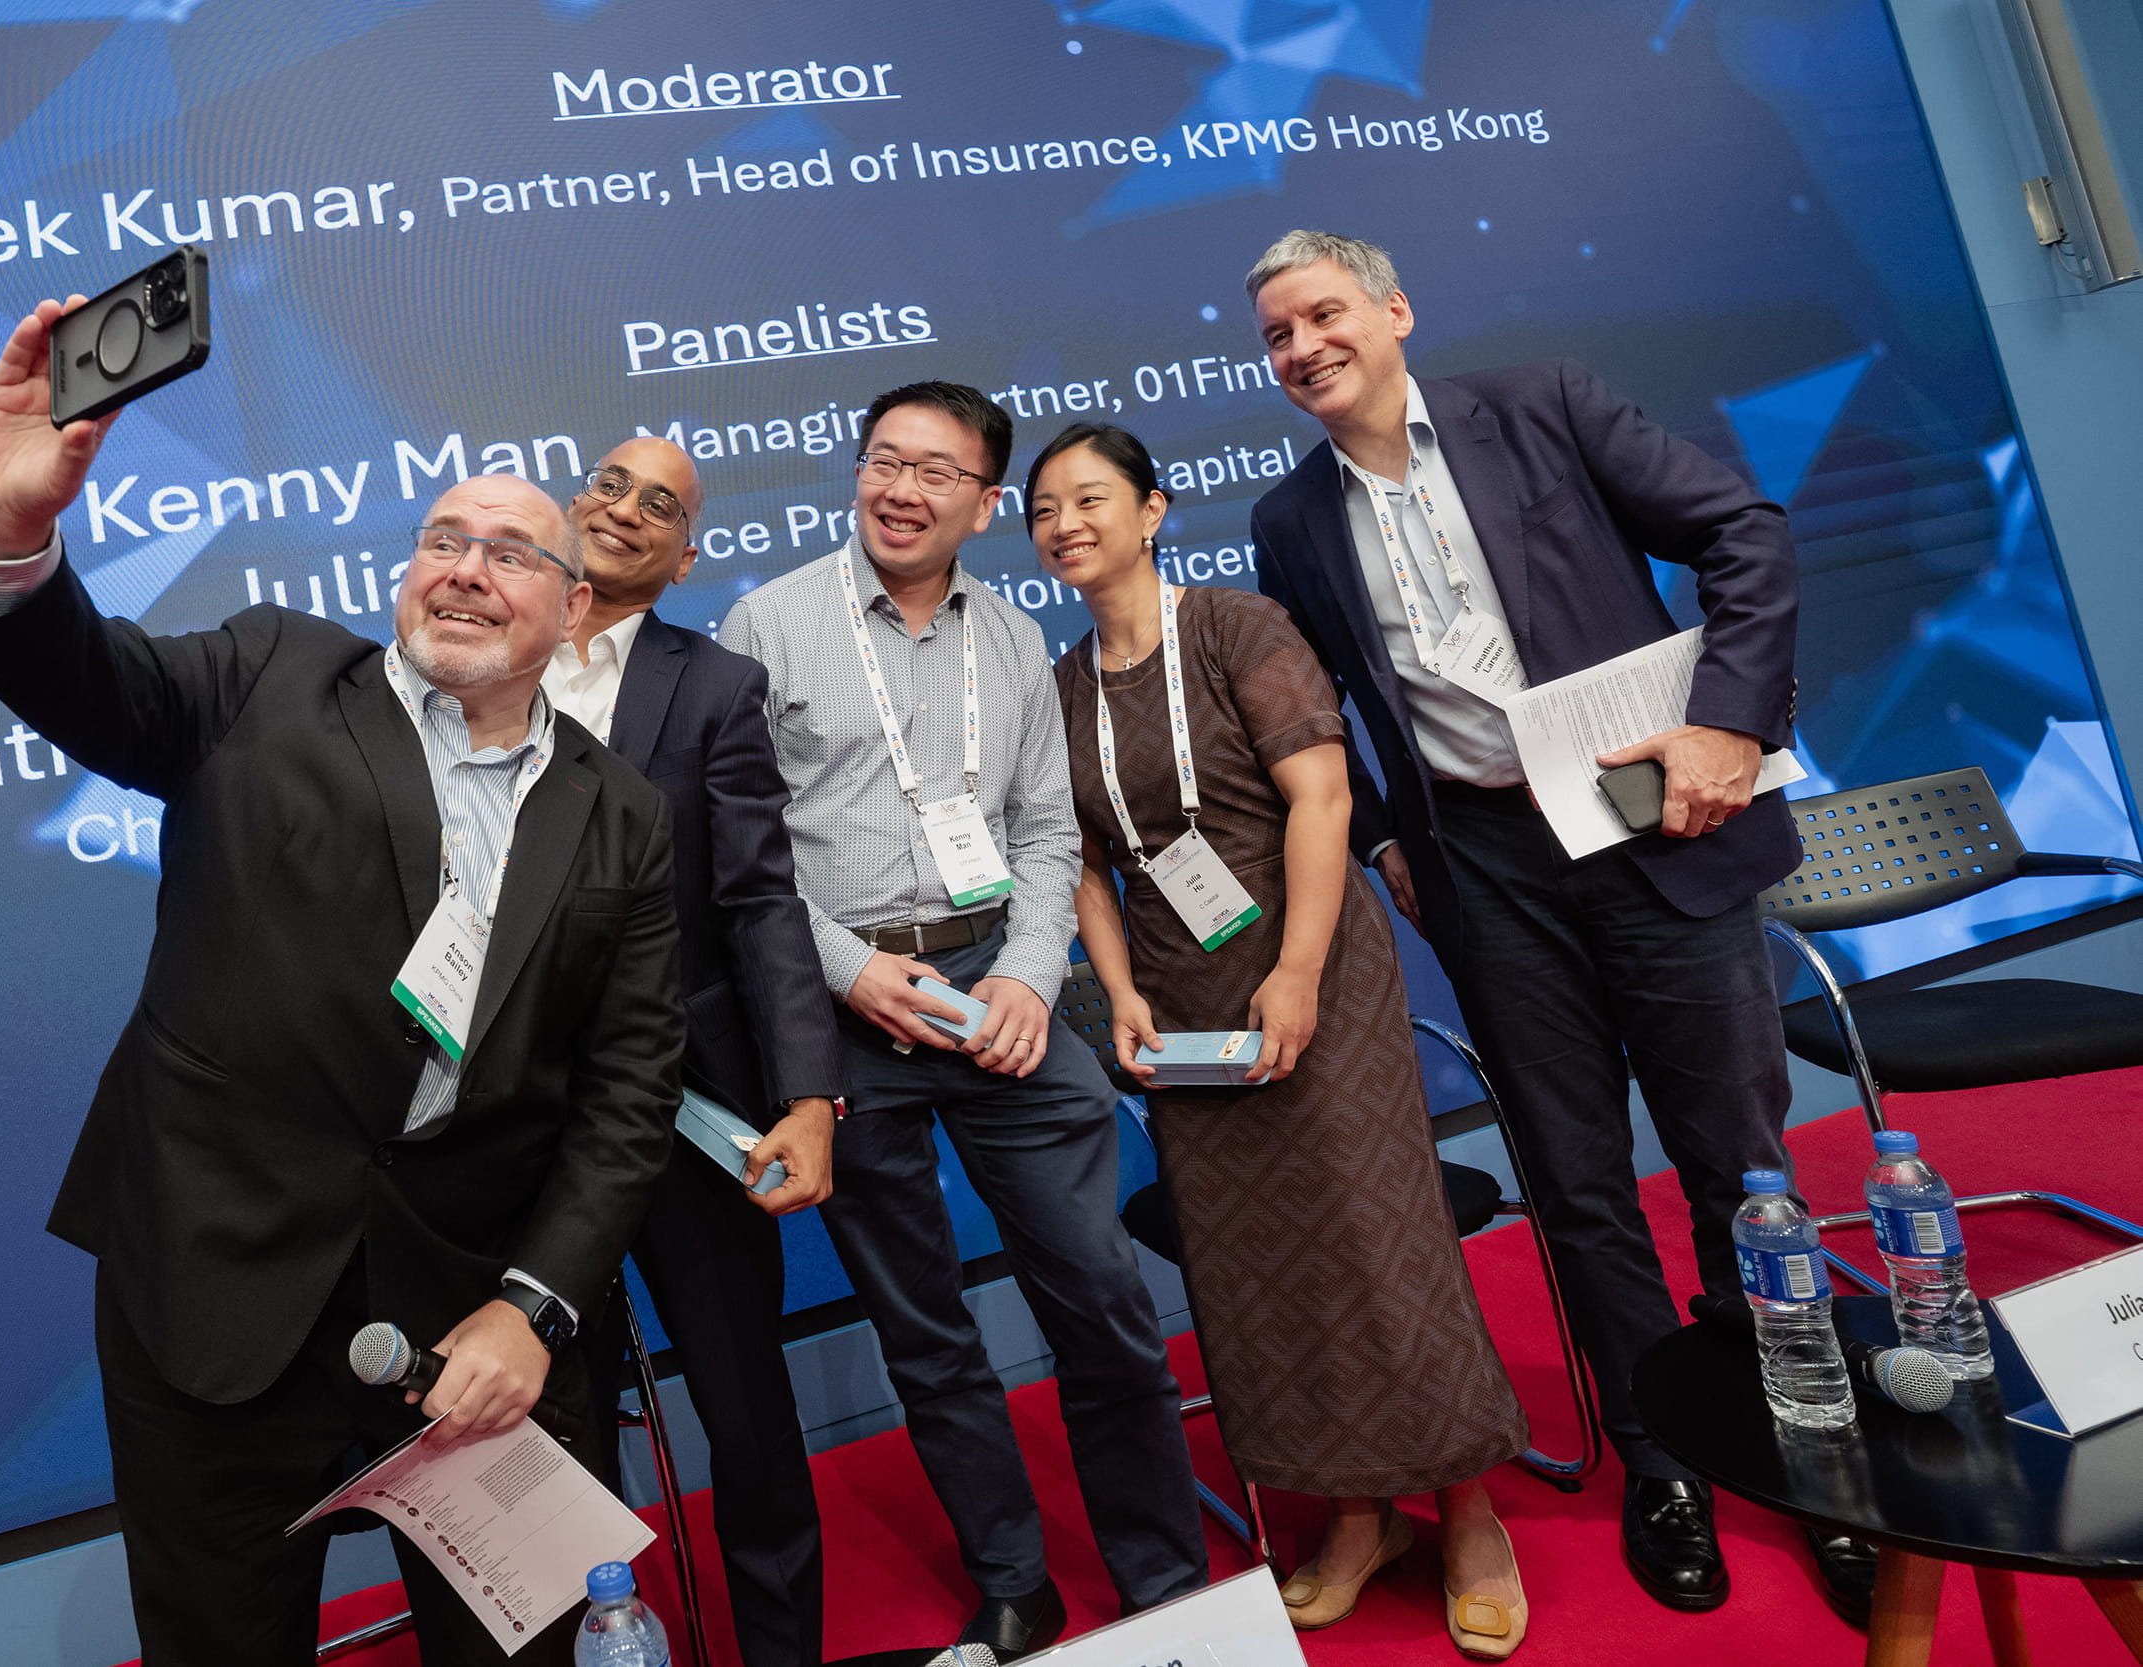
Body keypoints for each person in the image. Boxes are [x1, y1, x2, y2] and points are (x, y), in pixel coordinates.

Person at [0, 299, 686, 1666]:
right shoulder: (268, 673)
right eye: (442, 538)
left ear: (573, 609)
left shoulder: (621, 811)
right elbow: (87, 678)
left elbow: (628, 1092)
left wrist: (534, 1302)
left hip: (471, 1326)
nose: (465, 569)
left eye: (511, 551)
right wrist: (3, 527)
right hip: (217, 1294)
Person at [1240, 231, 1868, 1624]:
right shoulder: (1290, 522)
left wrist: (1727, 721)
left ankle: (1811, 1447)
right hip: (1488, 868)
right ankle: (1664, 1454)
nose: (1302, 348)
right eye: (1277, 335)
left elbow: (1745, 533)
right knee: (1578, 1181)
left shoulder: (1545, 405)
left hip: (1654, 823)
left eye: (1323, 314)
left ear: (1395, 310)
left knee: (1737, 1161)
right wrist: (1390, 835)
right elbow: (1323, 708)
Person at [718, 383, 1210, 1658]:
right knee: (924, 1330)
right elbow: (739, 847)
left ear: (984, 504)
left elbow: (1045, 831)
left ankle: (1167, 1588)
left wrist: (1031, 974)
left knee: (1101, 1297)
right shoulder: (767, 624)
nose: (902, 489)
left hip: (997, 991)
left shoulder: (1011, 635)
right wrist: (846, 970)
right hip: (845, 1018)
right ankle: (1014, 1582)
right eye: (884, 460)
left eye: (938, 472)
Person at [1029, 421, 1532, 1660]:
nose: (1064, 525)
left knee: (1374, 1240)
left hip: (1312, 968)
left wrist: (1297, 971)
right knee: (1257, 1268)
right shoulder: (1059, 684)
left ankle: (1468, 1510)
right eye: (1042, 510)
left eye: (1089, 498)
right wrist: (1116, 990)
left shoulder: (1236, 627)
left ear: (1153, 510)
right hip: (1181, 1003)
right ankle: (1358, 1515)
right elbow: (1080, 861)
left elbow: (1322, 795)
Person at [548, 436, 842, 1667]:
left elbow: (762, 900)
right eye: (610, 484)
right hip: (516, 1118)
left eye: (660, 504)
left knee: (743, 1402)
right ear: (572, 504)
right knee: (552, 1425)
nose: (627, 508)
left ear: (684, 558)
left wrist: (809, 1092)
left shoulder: (714, 684)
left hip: (684, 1107)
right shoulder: (475, 655)